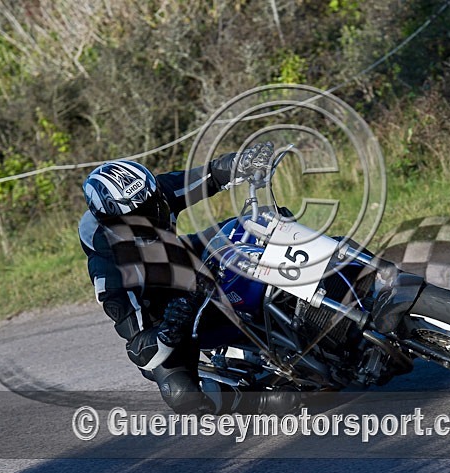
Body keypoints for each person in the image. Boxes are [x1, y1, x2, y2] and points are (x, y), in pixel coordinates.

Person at [78, 142, 300, 415]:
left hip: (185, 257)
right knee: (182, 396)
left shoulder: (155, 192)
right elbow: (139, 348)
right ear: (114, 224)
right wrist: (168, 331)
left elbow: (210, 175)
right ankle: (254, 400)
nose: (153, 215)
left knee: (263, 222)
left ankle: (346, 268)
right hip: (166, 313)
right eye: (138, 216)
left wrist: (242, 162)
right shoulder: (109, 269)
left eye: (153, 203)